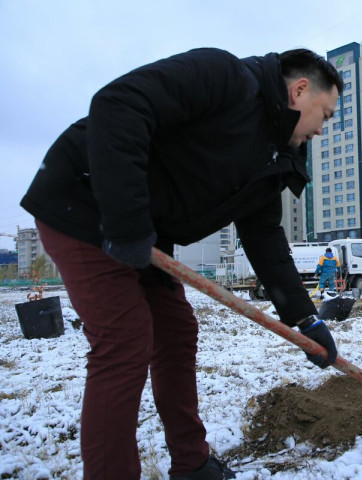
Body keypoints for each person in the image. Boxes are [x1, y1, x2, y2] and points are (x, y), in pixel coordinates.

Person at [20, 48, 341, 480]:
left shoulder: (275, 156)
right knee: (125, 340)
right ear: (300, 91)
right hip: (85, 202)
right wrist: (128, 224)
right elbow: (118, 104)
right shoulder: (225, 77)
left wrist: (305, 319)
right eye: (325, 114)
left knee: (175, 330)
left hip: (143, 231)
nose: (323, 129)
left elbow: (264, 236)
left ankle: (191, 463)